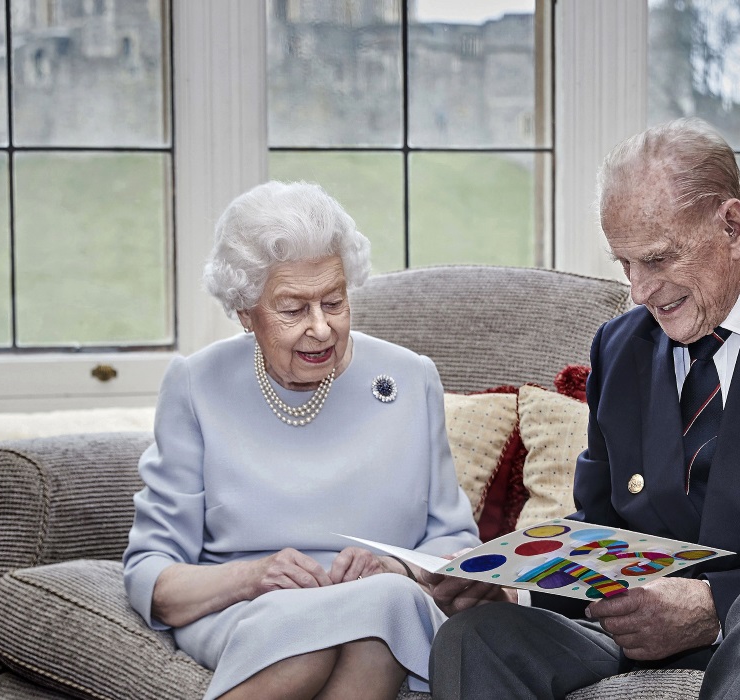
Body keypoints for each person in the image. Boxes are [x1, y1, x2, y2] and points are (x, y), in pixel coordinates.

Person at [425, 118, 740, 700]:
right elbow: (601, 531)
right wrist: (512, 584)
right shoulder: (620, 347)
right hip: (637, 638)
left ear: (732, 225)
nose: (640, 291)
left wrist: (714, 603)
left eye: (658, 259)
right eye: (625, 265)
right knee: (476, 636)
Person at [123, 180, 480, 700]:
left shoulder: (410, 378)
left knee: (382, 611)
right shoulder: (196, 385)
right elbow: (153, 578)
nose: (321, 329)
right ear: (246, 312)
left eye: (334, 302)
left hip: (382, 604)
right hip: (245, 607)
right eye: (293, 308)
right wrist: (254, 577)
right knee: (325, 633)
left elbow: (455, 545)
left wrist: (394, 566)